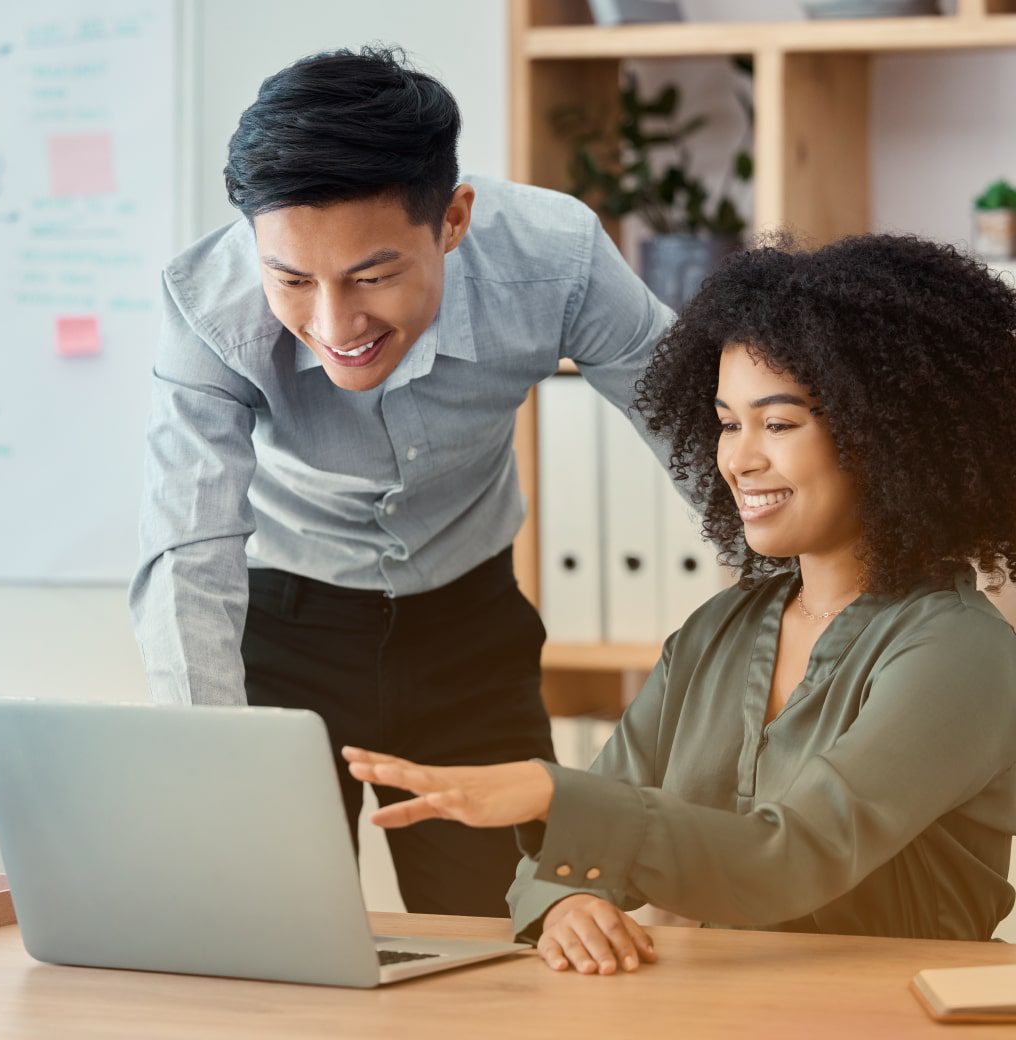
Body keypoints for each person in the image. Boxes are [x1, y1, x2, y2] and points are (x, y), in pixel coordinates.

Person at [343, 233, 1016, 969]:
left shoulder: (964, 653)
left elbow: (790, 858)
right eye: (728, 422)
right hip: (714, 1008)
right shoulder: (719, 630)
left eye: (778, 423)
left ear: (892, 434)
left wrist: (551, 797)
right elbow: (554, 865)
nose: (738, 458)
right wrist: (569, 902)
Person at [128, 45, 674, 917]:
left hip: (468, 633)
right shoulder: (207, 306)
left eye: (373, 276)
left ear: (452, 219)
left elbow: (700, 429)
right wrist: (211, 765)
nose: (333, 322)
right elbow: (188, 546)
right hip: (279, 639)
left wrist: (808, 611)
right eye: (292, 278)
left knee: (508, 938)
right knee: (270, 938)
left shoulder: (556, 257)